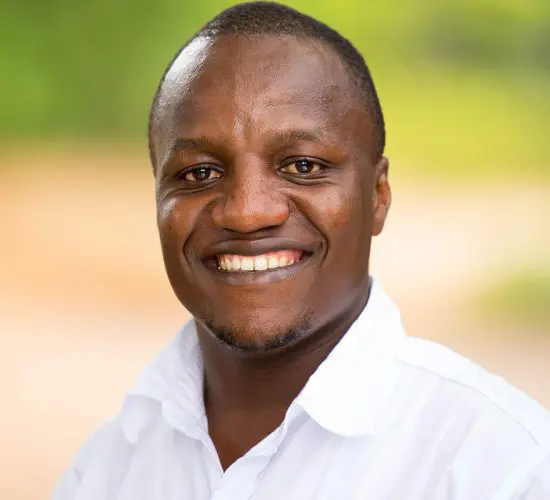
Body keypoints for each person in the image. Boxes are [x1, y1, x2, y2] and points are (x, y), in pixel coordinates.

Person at [53, 2, 550, 499]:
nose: (246, 212)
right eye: (199, 173)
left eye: (303, 166)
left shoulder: (503, 468)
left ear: (377, 197)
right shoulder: (106, 469)